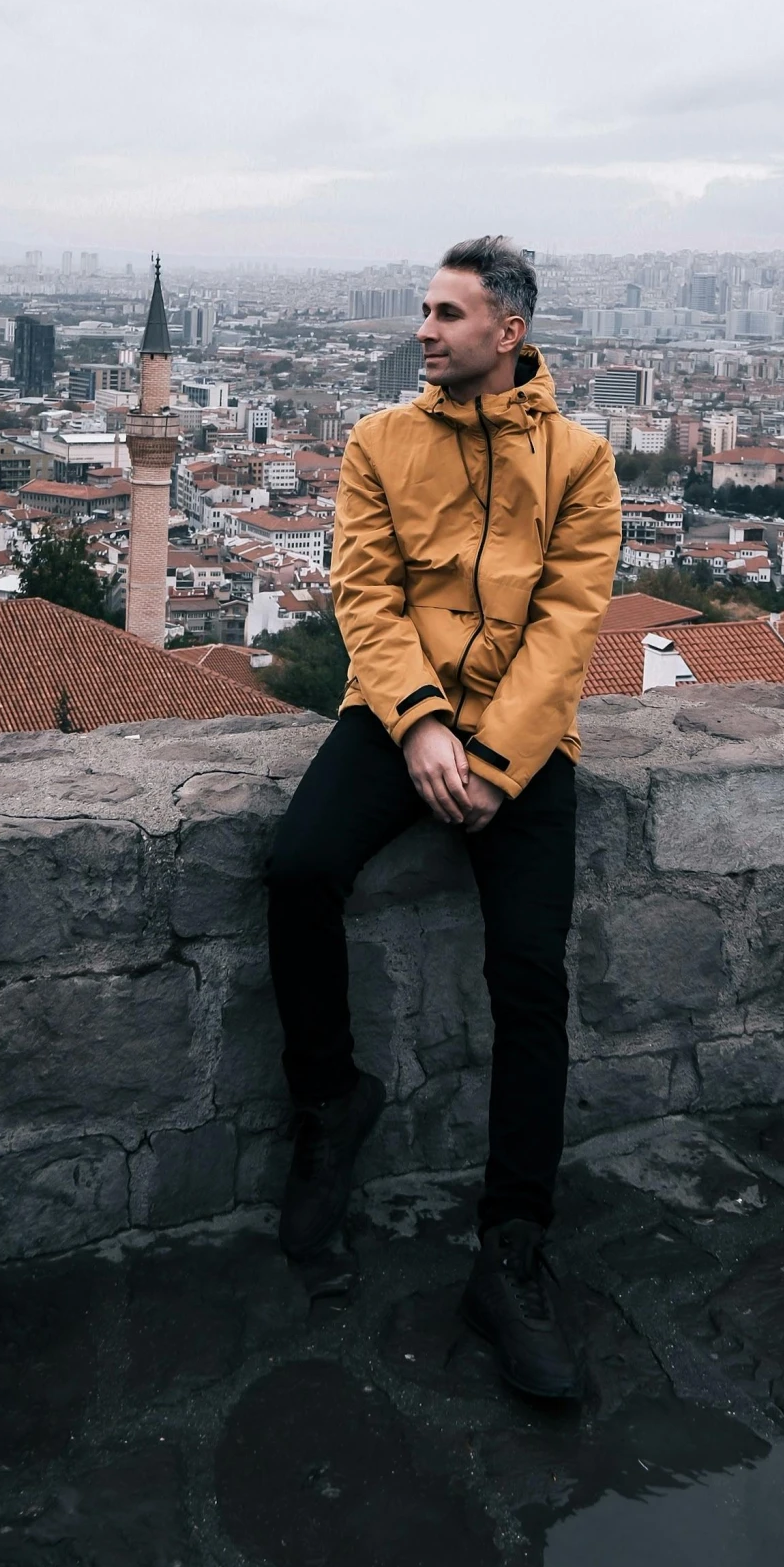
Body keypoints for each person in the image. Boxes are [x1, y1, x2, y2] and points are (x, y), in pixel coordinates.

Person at [265, 234, 622, 1397]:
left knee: (530, 982)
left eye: (446, 311)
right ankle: (331, 1098)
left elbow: (569, 627)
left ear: (506, 330)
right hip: (396, 710)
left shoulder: (580, 461)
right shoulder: (381, 440)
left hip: (522, 738)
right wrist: (419, 721)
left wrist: (492, 759)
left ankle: (511, 1249)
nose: (422, 328)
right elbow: (364, 593)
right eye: (422, 308)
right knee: (298, 866)